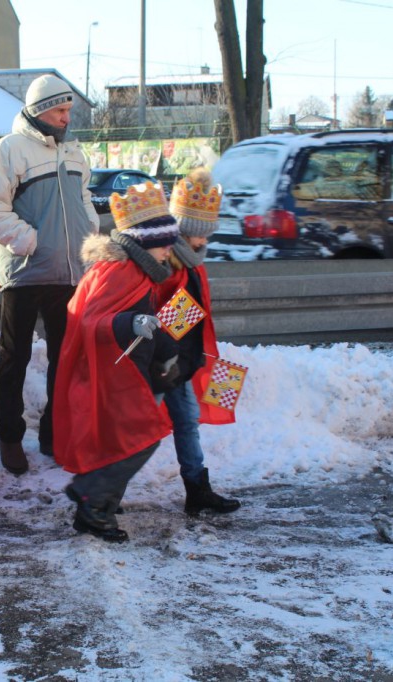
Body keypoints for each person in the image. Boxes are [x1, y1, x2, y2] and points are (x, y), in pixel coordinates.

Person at [0, 74, 100, 475]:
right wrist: (30, 241)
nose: (66, 118)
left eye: (68, 111)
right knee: (15, 357)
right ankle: (9, 437)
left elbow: (84, 201)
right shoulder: (8, 150)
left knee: (66, 359)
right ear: (42, 108)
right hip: (25, 273)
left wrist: (89, 237)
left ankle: (53, 433)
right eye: (61, 110)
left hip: (69, 274)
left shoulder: (75, 152)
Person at [55, 181, 180, 543]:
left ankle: (97, 509)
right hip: (110, 374)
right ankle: (91, 496)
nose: (169, 249)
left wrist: (165, 350)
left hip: (128, 370)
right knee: (142, 438)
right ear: (144, 242)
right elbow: (90, 322)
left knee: (124, 440)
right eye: (163, 242)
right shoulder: (117, 271)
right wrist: (131, 323)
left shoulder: (139, 271)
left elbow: (147, 320)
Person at [161, 169, 241, 515]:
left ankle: (197, 489)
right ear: (185, 232)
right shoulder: (170, 265)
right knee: (138, 428)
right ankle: (104, 492)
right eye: (200, 235)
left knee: (188, 422)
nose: (205, 242)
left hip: (181, 361)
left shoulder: (193, 265)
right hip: (161, 363)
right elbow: (164, 317)